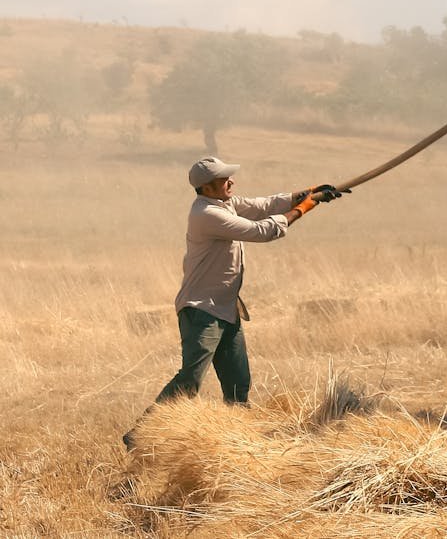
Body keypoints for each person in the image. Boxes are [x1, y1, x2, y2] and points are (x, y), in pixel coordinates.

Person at [123, 156, 346, 449]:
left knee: (238, 384)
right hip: (201, 310)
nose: (232, 181)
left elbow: (263, 205)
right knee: (191, 379)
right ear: (206, 186)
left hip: (226, 309)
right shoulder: (206, 214)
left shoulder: (225, 203)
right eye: (225, 178)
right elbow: (261, 230)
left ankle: (237, 445)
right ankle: (142, 435)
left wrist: (306, 192)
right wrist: (305, 207)